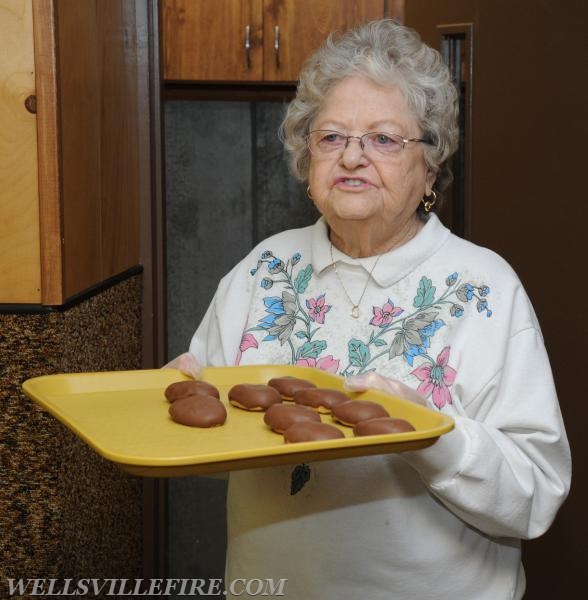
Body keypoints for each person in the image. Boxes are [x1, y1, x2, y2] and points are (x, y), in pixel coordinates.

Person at [167, 19, 571, 599]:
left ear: (430, 165)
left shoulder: (485, 288)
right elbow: (208, 441)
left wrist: (432, 435)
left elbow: (535, 495)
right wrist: (177, 403)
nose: (352, 158)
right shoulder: (263, 271)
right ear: (307, 161)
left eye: (383, 139)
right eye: (331, 137)